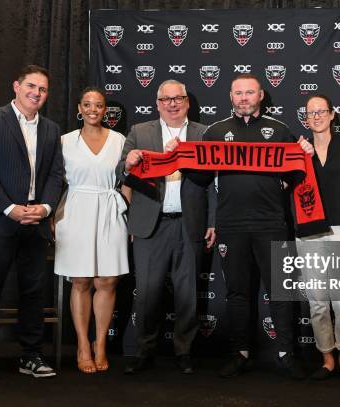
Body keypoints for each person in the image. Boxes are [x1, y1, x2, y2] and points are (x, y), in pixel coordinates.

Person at [179, 74, 314, 380]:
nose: (243, 97)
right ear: (230, 96)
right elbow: (200, 178)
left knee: (280, 291)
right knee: (238, 294)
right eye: (238, 92)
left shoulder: (280, 131)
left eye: (249, 92)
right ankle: (239, 354)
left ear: (260, 95)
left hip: (272, 224)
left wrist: (303, 157)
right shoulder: (216, 132)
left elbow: (296, 178)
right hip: (232, 225)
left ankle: (287, 354)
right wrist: (182, 157)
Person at [0, 64, 63, 382]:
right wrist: (10, 208)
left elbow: (55, 174)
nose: (36, 93)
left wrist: (46, 207)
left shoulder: (51, 128)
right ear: (16, 86)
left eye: (43, 89)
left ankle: (31, 356)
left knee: (34, 291)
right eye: (31, 86)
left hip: (36, 221)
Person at [117, 79, 216, 375]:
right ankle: (145, 349)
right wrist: (128, 162)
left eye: (178, 98)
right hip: (151, 224)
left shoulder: (203, 134)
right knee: (147, 291)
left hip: (190, 222)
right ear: (158, 103)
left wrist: (212, 221)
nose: (172, 104)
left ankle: (184, 350)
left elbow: (213, 182)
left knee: (187, 292)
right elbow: (120, 170)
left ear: (187, 102)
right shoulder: (139, 131)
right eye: (166, 99)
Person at [53, 86, 129, 373]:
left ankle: (101, 344)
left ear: (105, 109)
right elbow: (54, 182)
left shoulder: (120, 140)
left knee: (107, 280)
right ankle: (83, 345)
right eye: (88, 104)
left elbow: (127, 180)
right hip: (75, 209)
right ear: (80, 108)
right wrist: (52, 214)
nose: (93, 109)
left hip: (110, 208)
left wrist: (127, 213)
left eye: (99, 105)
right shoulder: (65, 141)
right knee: (81, 280)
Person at [296, 94, 340, 381]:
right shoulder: (297, 150)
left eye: (322, 111)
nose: (317, 116)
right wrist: (299, 159)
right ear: (306, 119)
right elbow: (287, 186)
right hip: (309, 230)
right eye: (311, 113)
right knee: (317, 300)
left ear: (333, 115)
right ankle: (327, 358)